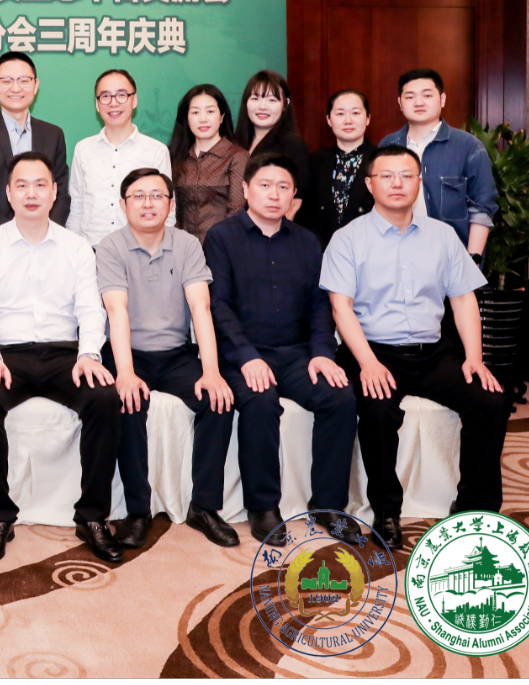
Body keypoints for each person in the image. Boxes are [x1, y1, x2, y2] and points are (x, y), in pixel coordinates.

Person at [320, 145, 508, 549]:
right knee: (377, 409)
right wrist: (367, 363)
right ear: (370, 184)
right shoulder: (347, 239)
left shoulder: (443, 236)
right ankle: (386, 512)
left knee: (491, 402)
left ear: (419, 182)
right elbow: (341, 308)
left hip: (433, 353)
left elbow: (463, 300)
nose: (397, 184)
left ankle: (476, 506)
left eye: (406, 176)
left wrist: (474, 359)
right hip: (372, 349)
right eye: (386, 176)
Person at [0, 152, 123, 565]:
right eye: (22, 185)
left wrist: (89, 354)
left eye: (40, 185)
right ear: (8, 193)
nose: (31, 193)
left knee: (104, 398)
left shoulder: (76, 247)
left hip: (64, 353)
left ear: (55, 192)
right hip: (8, 355)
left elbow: (90, 309)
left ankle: (92, 516)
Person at [204, 155, 356, 546]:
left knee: (340, 398)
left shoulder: (307, 241)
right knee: (260, 401)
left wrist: (322, 353)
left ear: (293, 195)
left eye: (283, 187)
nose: (274, 195)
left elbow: (320, 306)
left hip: (297, 354)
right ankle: (263, 506)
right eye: (265, 185)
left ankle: (328, 505)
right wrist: (247, 356)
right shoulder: (221, 237)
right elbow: (218, 305)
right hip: (243, 354)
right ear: (245, 190)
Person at [99, 168, 237, 550]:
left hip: (176, 354)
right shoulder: (110, 247)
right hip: (129, 352)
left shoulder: (188, 244)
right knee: (126, 402)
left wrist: (211, 371)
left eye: (157, 196)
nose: (148, 203)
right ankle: (137, 511)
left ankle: (204, 507)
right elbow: (116, 310)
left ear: (171, 204)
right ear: (123, 204)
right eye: (138, 196)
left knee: (218, 399)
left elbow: (201, 308)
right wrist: (125, 372)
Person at [380, 68, 497, 255]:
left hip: (450, 257)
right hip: (394, 254)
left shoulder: (468, 146)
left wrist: (471, 262)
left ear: (442, 99)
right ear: (400, 103)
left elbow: (482, 208)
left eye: (427, 95)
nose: (419, 102)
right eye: (409, 97)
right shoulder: (387, 146)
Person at [0, 52, 71, 236]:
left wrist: (42, 233)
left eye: (23, 80)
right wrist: (14, 235)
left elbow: (60, 194)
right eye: (6, 81)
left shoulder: (53, 135)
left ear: (35, 85)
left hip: (46, 241)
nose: (15, 88)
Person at [68, 69, 173, 245]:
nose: (113, 103)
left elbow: (166, 210)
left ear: (134, 100)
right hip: (91, 251)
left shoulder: (156, 151)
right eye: (105, 96)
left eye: (122, 95)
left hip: (140, 252)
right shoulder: (83, 149)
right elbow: (76, 207)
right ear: (97, 104)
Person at [168, 84, 248, 242]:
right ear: (187, 119)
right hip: (180, 247)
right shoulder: (174, 156)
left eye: (210, 111)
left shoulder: (237, 156)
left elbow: (236, 211)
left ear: (222, 116)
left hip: (222, 246)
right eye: (195, 112)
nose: (203, 119)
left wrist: (218, 245)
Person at [299, 89, 375, 247]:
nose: (348, 120)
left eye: (355, 113)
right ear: (329, 119)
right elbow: (305, 214)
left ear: (368, 118)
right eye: (340, 114)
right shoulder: (314, 161)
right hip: (322, 251)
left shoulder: (382, 160)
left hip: (370, 249)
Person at [234, 70, 309, 219]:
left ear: (285, 104)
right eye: (255, 98)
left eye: (272, 100)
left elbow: (295, 202)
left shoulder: (293, 144)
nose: (262, 106)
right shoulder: (234, 143)